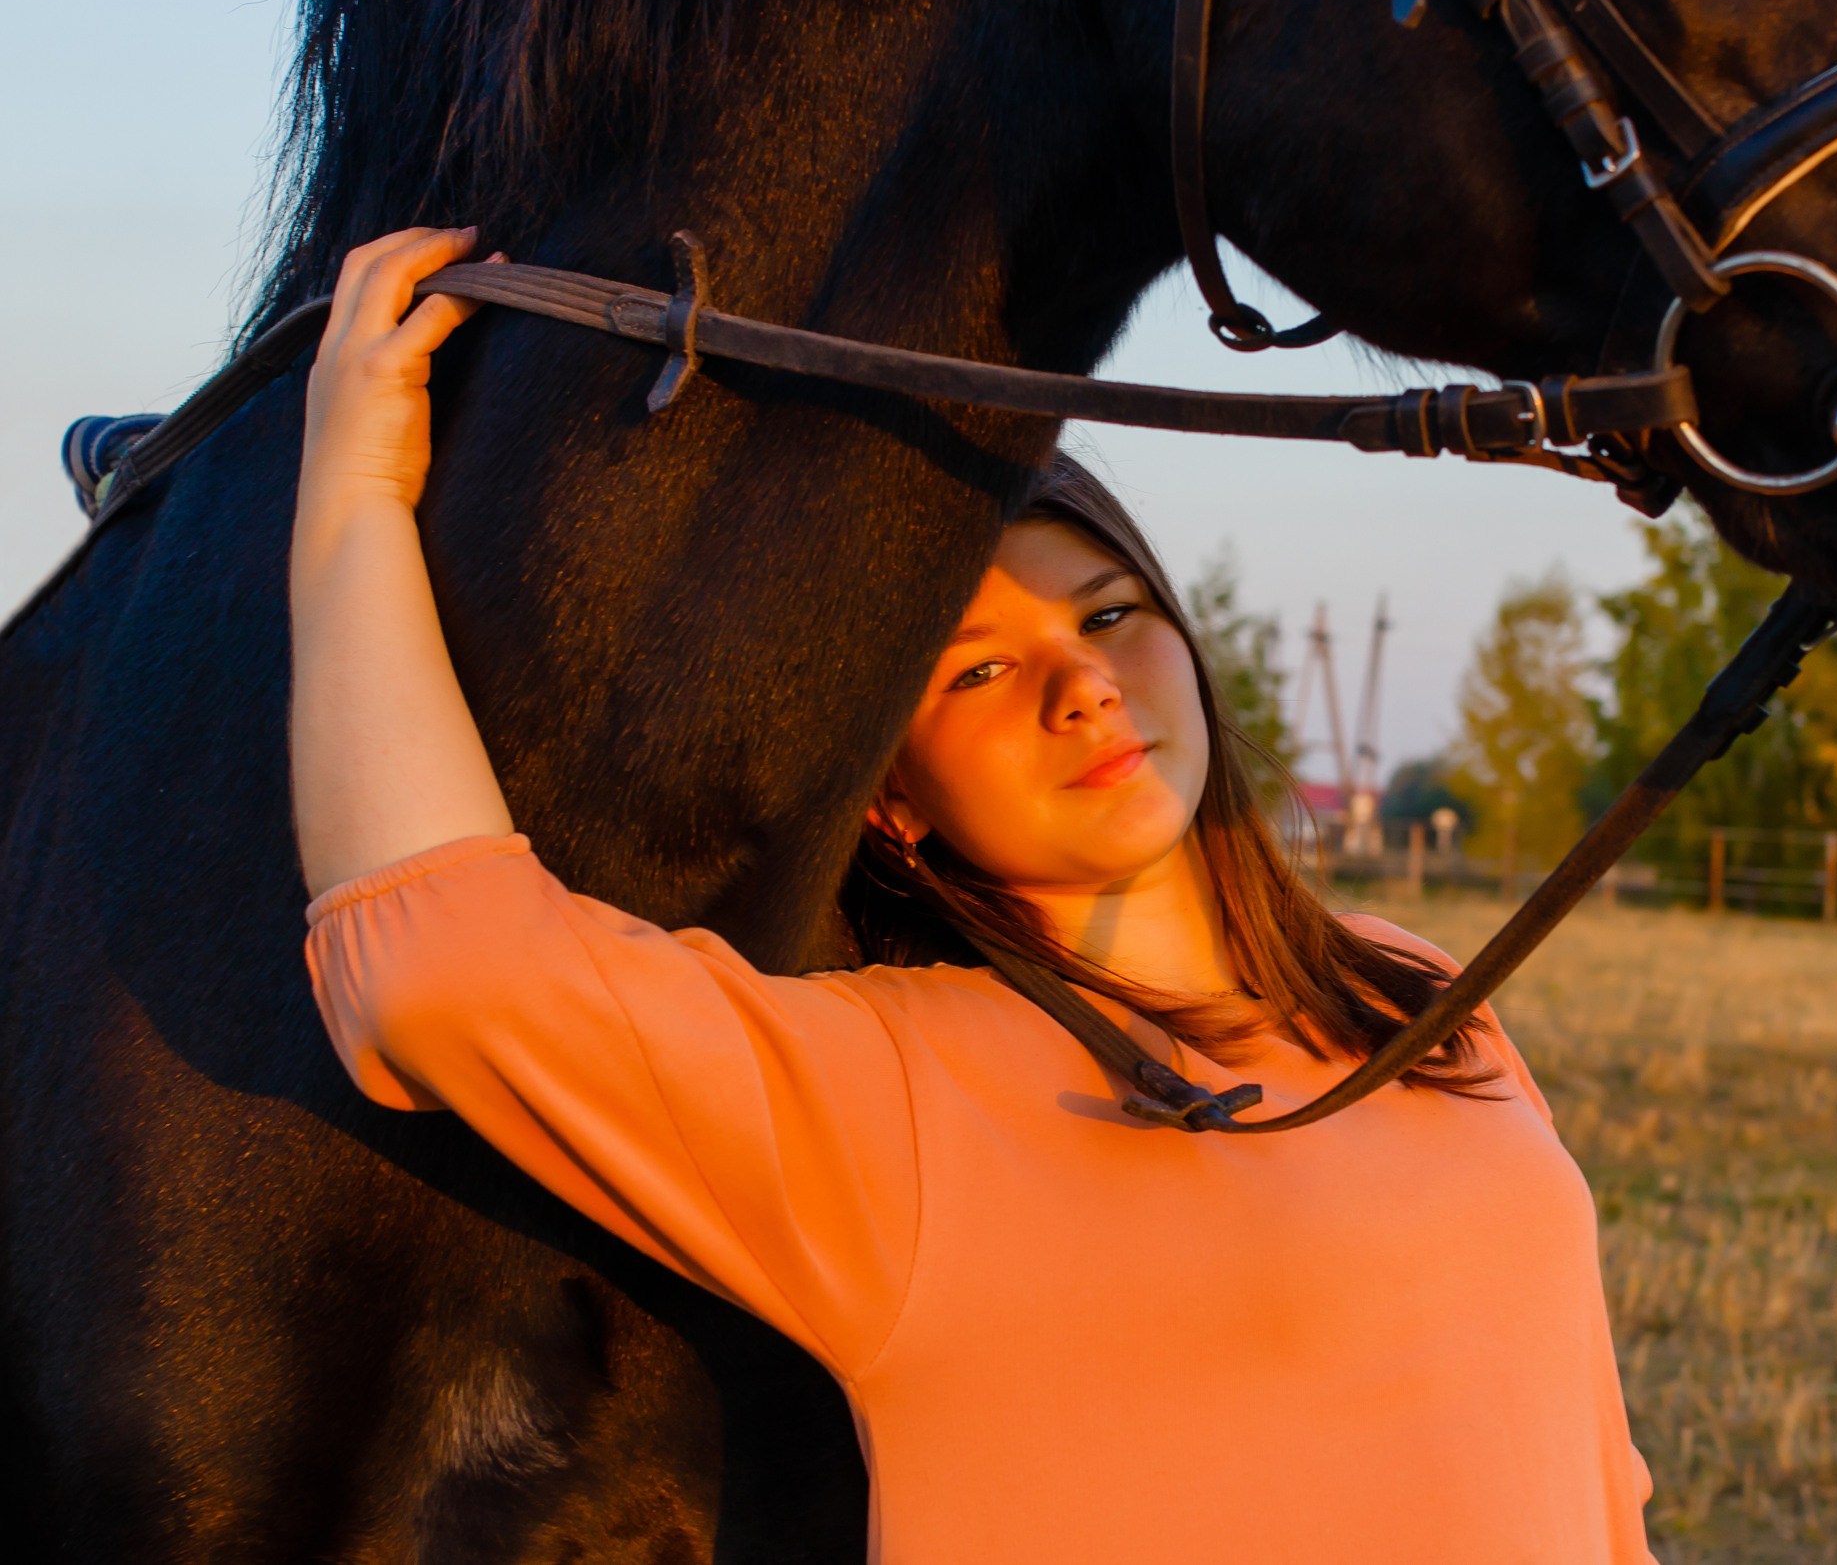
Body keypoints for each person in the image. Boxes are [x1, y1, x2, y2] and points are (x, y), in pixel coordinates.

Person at [295, 228, 1655, 1561]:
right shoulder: (897, 1101)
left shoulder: (1413, 991)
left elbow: (1591, 1465)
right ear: (894, 800)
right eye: (980, 674)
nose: (1085, 686)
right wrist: (352, 496)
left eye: (1110, 612)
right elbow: (440, 965)